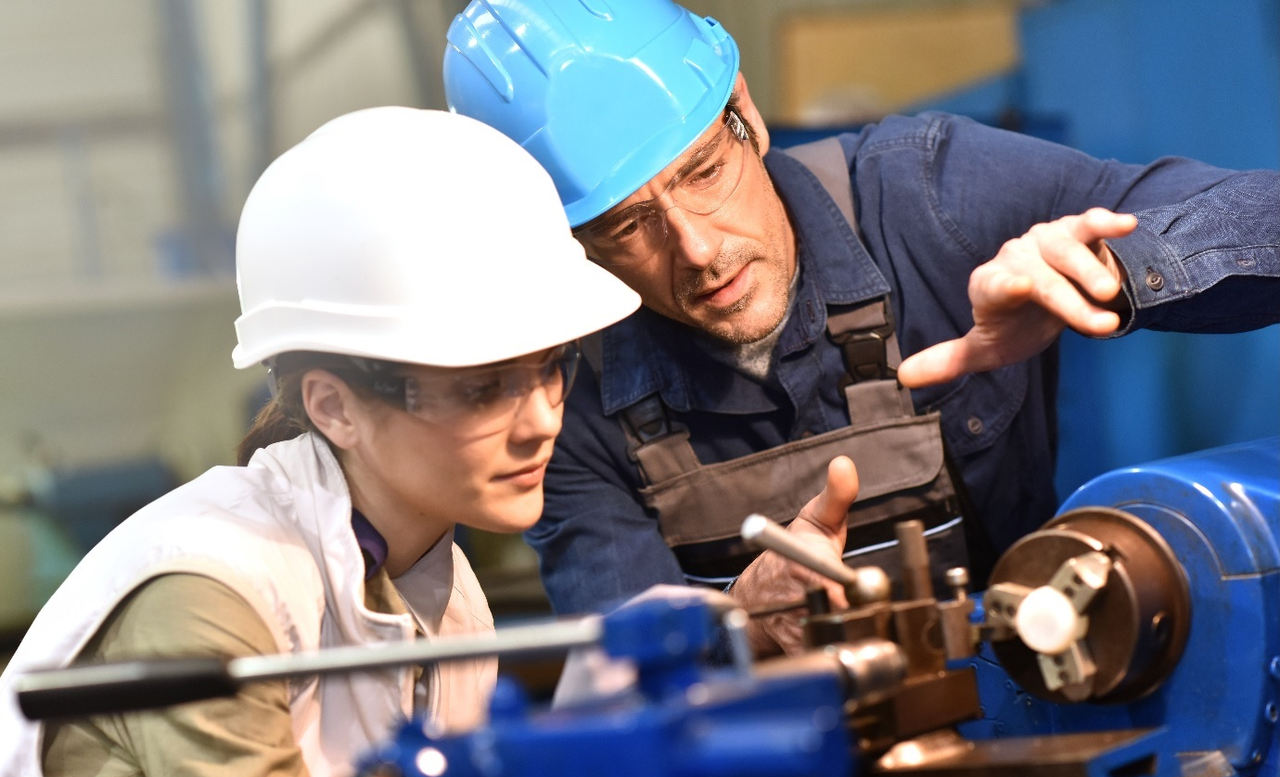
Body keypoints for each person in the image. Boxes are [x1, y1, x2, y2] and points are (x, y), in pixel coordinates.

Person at [443, 0, 1280, 657]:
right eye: (628, 226)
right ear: (570, 246)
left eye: (702, 172)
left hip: (1033, 706)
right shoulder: (564, 403)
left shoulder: (929, 201)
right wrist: (734, 626)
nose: (697, 249)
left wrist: (1111, 271)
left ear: (745, 111)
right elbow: (625, 695)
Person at [0, 107, 642, 777]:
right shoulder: (211, 592)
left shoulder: (453, 605)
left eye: (550, 368)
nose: (541, 421)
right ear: (333, 406)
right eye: (482, 386)